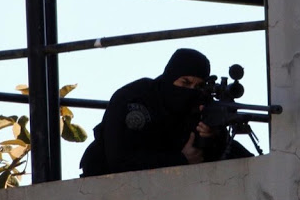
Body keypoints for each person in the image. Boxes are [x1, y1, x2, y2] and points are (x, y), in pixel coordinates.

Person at [79, 48, 253, 177]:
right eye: (185, 83)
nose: (190, 91)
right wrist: (181, 159)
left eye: (198, 86)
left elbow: (228, 152)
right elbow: (118, 160)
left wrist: (213, 136)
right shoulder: (133, 97)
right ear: (171, 77)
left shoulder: (198, 105)